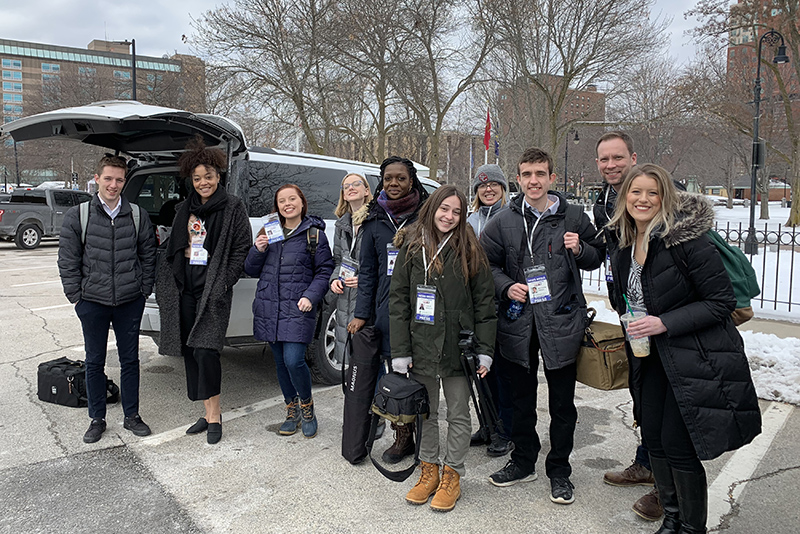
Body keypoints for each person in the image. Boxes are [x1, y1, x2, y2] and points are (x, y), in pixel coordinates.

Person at [607, 164, 761, 534]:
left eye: (652, 193)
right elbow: (628, 300)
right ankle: (672, 519)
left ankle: (692, 528)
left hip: (694, 357)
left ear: (665, 199)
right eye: (636, 192)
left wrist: (665, 321)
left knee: (678, 444)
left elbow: (720, 301)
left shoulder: (688, 242)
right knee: (655, 439)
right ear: (624, 197)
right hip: (651, 359)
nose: (643, 200)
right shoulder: (625, 250)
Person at [481, 147, 602, 505]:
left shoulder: (574, 217)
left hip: (561, 321)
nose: (534, 181)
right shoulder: (503, 220)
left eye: (540, 174)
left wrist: (580, 249)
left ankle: (559, 471)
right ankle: (523, 461)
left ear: (552, 177)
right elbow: (485, 264)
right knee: (521, 399)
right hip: (518, 322)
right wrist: (505, 286)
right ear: (517, 179)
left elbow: (597, 257)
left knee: (563, 404)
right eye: (527, 175)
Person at [389, 184, 496, 512]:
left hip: (457, 347)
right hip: (420, 344)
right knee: (427, 413)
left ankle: (453, 474)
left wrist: (486, 349)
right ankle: (429, 470)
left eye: (457, 212)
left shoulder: (469, 246)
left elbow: (485, 301)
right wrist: (400, 351)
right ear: (432, 207)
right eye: (444, 209)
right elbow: (398, 301)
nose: (449, 216)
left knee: (459, 413)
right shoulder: (411, 244)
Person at [154, 139, 251, 444]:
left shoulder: (233, 206)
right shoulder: (185, 208)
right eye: (197, 178)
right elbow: (173, 246)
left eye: (208, 176)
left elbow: (241, 248)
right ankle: (207, 413)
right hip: (186, 285)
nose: (203, 182)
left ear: (218, 177)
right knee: (190, 350)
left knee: (206, 350)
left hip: (214, 288)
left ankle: (216, 414)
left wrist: (226, 281)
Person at [57, 155, 156, 443]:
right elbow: (68, 260)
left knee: (130, 360)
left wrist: (143, 289)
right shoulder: (79, 216)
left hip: (129, 299)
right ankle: (96, 418)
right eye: (109, 178)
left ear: (125, 181)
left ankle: (132, 416)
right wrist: (77, 297)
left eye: (119, 180)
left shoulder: (137, 215)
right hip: (92, 301)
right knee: (94, 361)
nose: (114, 185)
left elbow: (148, 256)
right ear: (97, 178)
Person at [348, 156, 429, 463]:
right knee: (393, 374)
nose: (394, 184)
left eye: (401, 179)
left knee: (420, 374)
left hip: (421, 308)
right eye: (388, 178)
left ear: (412, 181)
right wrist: (361, 314)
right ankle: (402, 435)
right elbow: (367, 271)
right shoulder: (374, 219)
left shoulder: (426, 215)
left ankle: (425, 433)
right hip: (385, 311)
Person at [244, 184, 334, 438]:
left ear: (302, 202)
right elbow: (251, 269)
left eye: (292, 198)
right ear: (278, 206)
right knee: (281, 363)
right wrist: (258, 248)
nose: (287, 204)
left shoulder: (314, 234)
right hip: (269, 306)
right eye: (282, 200)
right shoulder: (270, 232)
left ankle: (307, 407)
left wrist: (310, 295)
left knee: (294, 360)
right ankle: (290, 409)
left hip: (297, 307)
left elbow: (325, 270)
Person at [465, 163, 513, 458]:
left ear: (503, 188)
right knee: (479, 370)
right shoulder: (469, 220)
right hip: (475, 304)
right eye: (482, 186)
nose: (488, 189)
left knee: (502, 373)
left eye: (494, 184)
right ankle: (487, 424)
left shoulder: (511, 217)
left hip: (505, 304)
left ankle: (505, 430)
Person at [329, 173, 373, 372]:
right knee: (351, 361)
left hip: (367, 297)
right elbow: (338, 260)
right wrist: (334, 279)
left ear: (366, 191)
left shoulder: (375, 221)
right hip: (345, 295)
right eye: (346, 186)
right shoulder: (341, 225)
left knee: (369, 358)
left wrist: (364, 278)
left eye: (357, 184)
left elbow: (383, 263)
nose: (351, 188)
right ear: (343, 195)